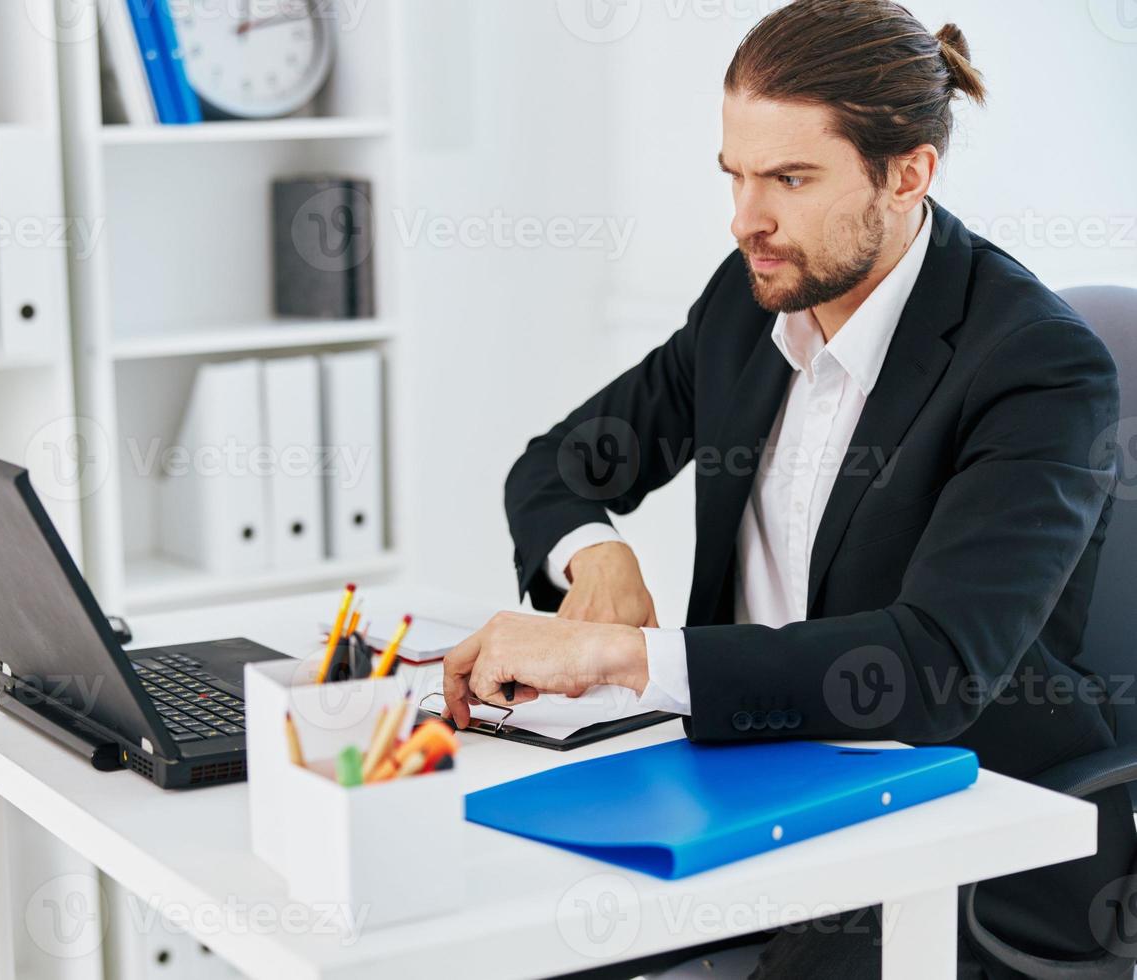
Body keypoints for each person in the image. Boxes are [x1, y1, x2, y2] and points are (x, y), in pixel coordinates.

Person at [442, 1, 1135, 976]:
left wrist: (622, 654)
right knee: (494, 933)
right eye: (734, 174)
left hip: (955, 834)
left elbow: (929, 664)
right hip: (748, 782)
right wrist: (593, 551)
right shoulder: (754, 292)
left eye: (790, 179)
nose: (746, 219)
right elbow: (560, 461)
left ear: (907, 175)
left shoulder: (1035, 365)